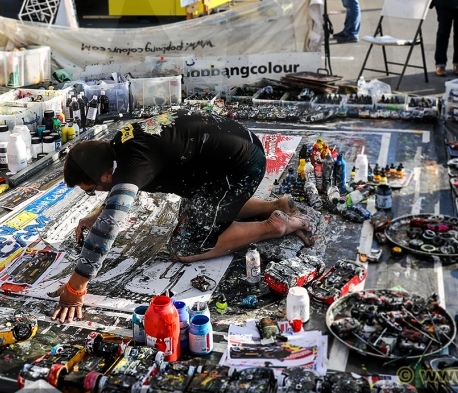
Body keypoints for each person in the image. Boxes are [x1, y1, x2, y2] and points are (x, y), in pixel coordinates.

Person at [49, 111, 313, 322]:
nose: (95, 194)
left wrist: (75, 288)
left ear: (105, 174)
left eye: (92, 190)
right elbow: (120, 188)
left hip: (240, 167)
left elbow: (111, 225)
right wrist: (99, 213)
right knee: (196, 212)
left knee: (185, 246)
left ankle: (274, 225)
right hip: (226, 156)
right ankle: (274, 205)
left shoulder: (133, 163)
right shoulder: (118, 146)